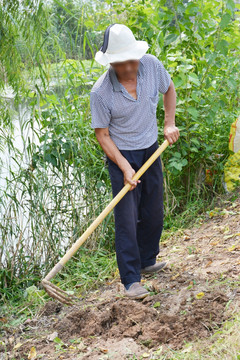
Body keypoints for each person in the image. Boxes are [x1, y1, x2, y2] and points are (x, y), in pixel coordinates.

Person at [90, 24, 179, 299]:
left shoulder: (151, 65)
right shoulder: (101, 92)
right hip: (122, 155)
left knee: (153, 210)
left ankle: (147, 260)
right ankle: (131, 280)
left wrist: (168, 123)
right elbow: (102, 135)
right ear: (111, 62)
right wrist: (124, 167)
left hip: (150, 148)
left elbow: (170, 90)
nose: (128, 67)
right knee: (127, 219)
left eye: (131, 60)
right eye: (120, 63)